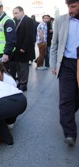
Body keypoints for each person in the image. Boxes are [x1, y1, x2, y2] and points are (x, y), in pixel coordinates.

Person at [50, 0, 79, 146]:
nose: (70, 10)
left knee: (75, 100)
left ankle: (69, 115)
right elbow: (54, 44)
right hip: (66, 64)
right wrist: (53, 64)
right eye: (68, 6)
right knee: (65, 99)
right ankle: (70, 133)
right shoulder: (61, 20)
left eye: (73, 6)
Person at [11, 6, 34, 91]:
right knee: (19, 67)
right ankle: (20, 82)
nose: (15, 15)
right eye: (14, 13)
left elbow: (29, 35)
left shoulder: (28, 20)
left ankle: (24, 84)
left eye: (16, 13)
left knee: (24, 68)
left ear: (22, 12)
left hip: (24, 49)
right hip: (17, 49)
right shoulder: (18, 21)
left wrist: (24, 47)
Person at [0, 0, 16, 65]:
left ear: (1, 8)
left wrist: (6, 53)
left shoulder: (8, 21)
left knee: (6, 74)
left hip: (5, 54)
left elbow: (11, 40)